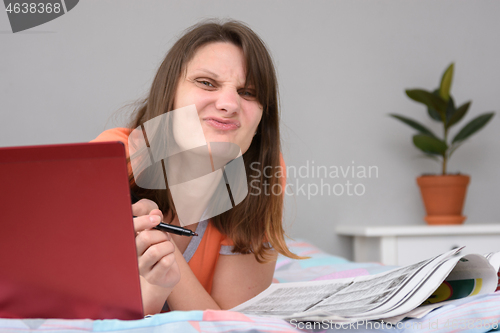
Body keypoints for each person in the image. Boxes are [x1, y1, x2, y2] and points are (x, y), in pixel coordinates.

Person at [92, 19, 303, 315]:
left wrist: (162, 250)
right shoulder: (114, 158)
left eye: (248, 93)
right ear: (170, 93)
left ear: (260, 119)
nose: (229, 103)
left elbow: (232, 323)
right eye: (207, 83)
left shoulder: (262, 173)